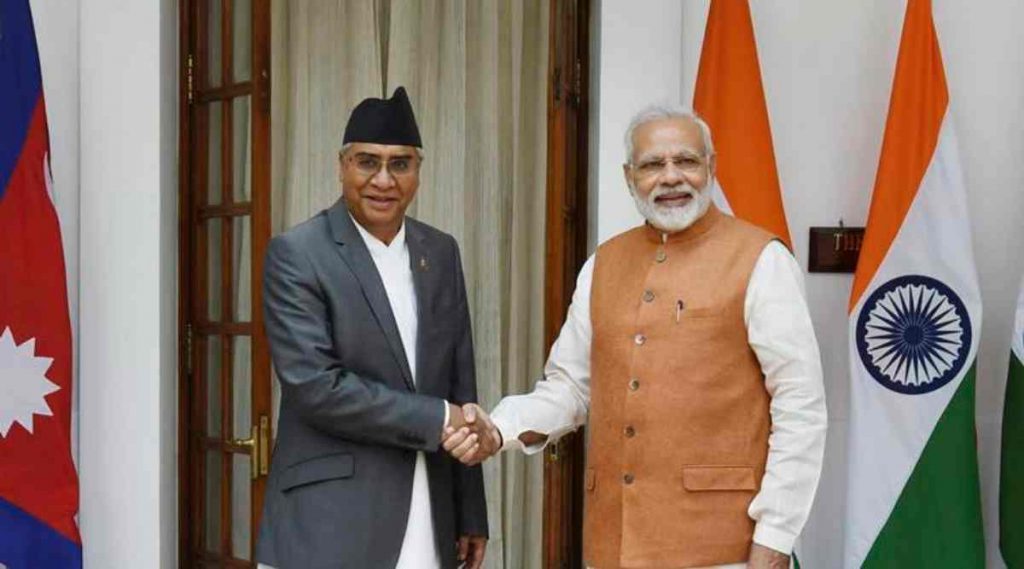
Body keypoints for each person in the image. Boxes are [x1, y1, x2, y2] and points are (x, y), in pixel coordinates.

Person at [443, 105, 827, 569]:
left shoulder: (762, 260)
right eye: (652, 165)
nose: (671, 177)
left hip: (724, 549)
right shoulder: (603, 264)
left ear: (711, 167)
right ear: (629, 177)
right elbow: (570, 388)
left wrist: (776, 536)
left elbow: (800, 406)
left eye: (686, 161)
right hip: (613, 546)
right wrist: (499, 428)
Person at [255, 87, 489, 569]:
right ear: (342, 166)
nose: (384, 180)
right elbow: (316, 388)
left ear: (418, 171)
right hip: (329, 523)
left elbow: (459, 385)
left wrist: (469, 511)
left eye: (400, 164)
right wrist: (438, 418)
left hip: (428, 517)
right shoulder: (299, 253)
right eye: (367, 162)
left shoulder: (440, 252)